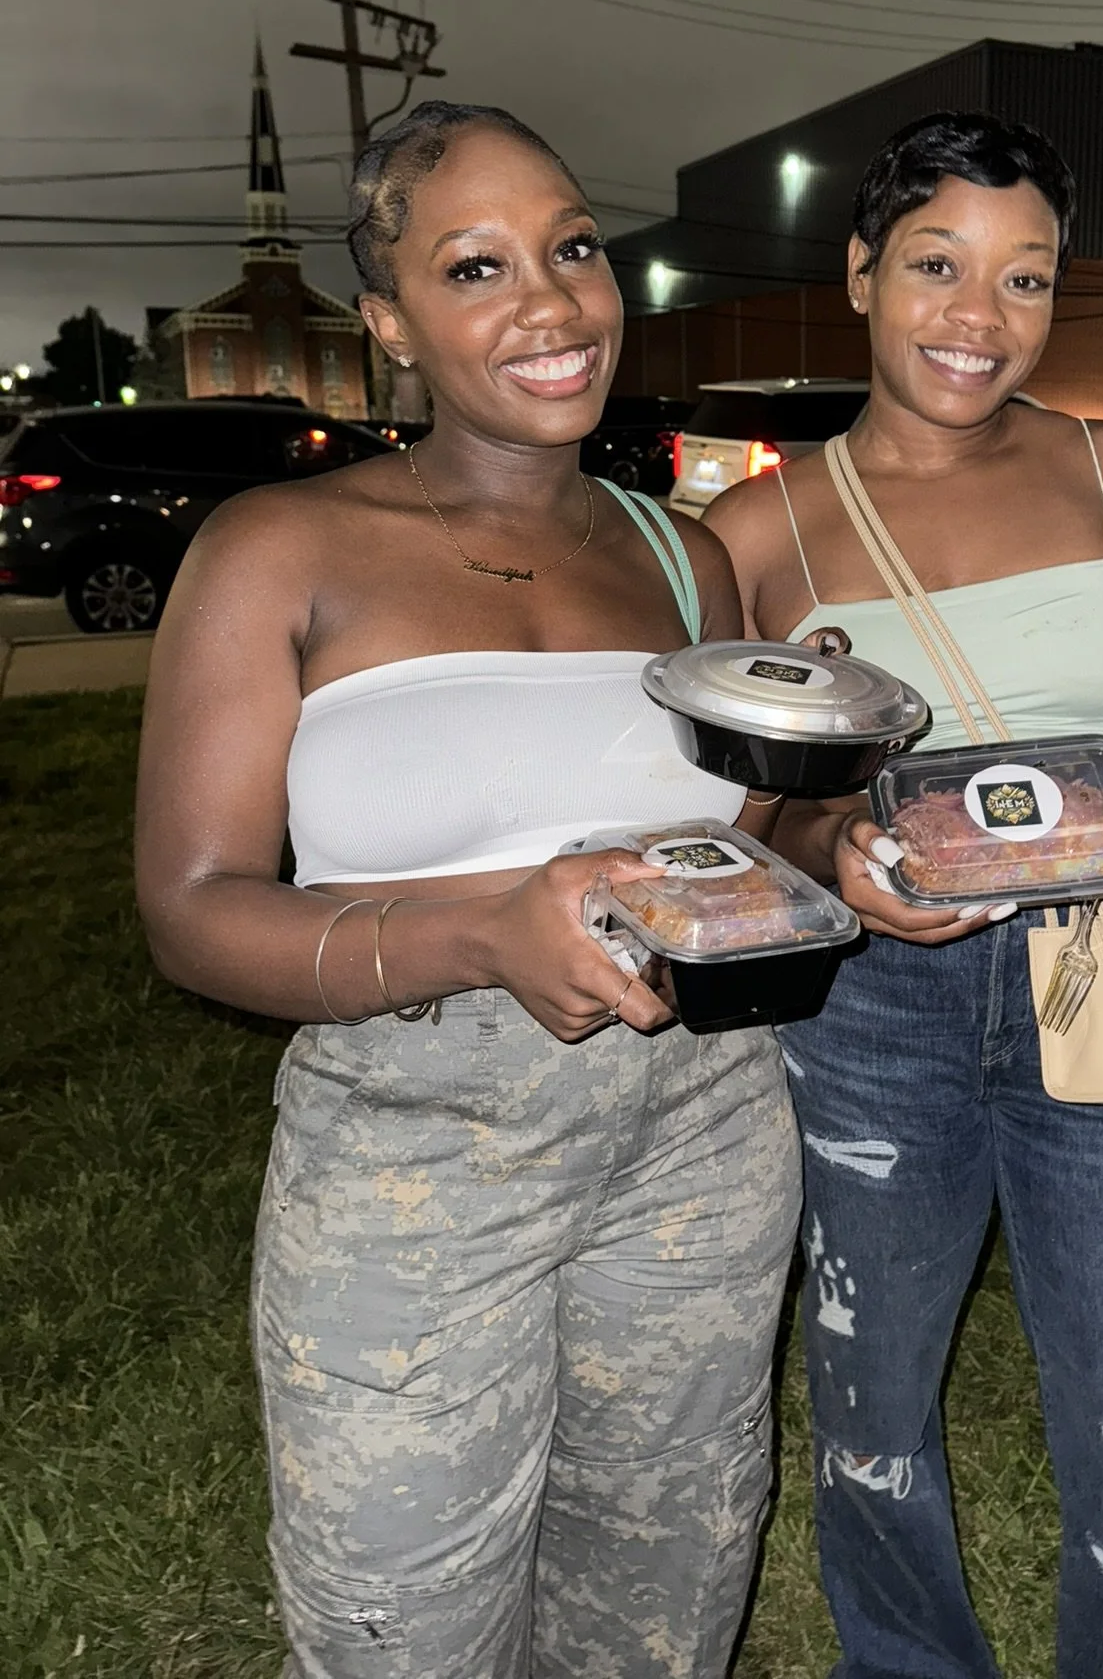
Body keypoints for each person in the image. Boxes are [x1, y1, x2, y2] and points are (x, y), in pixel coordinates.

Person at [135, 101, 800, 1679]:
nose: (554, 303)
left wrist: (846, 828)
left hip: (705, 1130)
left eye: (573, 248)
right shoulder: (278, 545)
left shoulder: (686, 553)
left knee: (664, 1587)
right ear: (391, 325)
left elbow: (736, 838)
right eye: (478, 266)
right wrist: (482, 934)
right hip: (415, 1153)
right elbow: (192, 906)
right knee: (403, 1623)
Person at [705, 111, 1103, 1679]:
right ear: (864, 272)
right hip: (869, 1010)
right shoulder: (755, 533)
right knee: (871, 1419)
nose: (979, 317)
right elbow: (750, 813)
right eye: (939, 266)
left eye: (1026, 280)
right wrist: (840, 861)